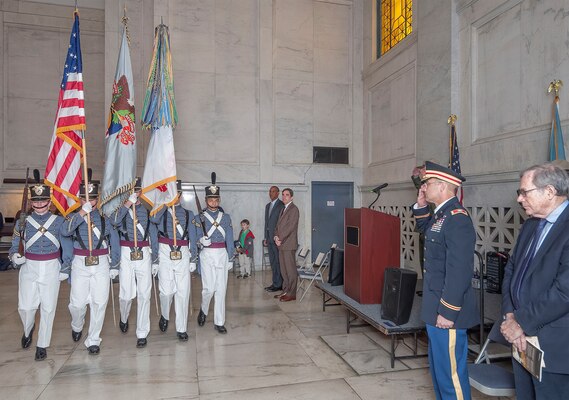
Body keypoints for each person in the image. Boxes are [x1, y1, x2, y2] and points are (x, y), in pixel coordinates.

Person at [500, 163, 569, 399]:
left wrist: (519, 322)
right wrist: (510, 316)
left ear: (549, 191)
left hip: (554, 347)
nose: (519, 199)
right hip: (521, 341)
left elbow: (564, 292)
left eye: (524, 192)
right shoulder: (530, 224)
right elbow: (511, 269)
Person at [412, 161, 478, 399]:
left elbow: (459, 270)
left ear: (441, 186)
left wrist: (448, 311)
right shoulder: (441, 215)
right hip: (435, 307)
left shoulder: (457, 218)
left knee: (451, 378)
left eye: (427, 183)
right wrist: (420, 206)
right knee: (440, 373)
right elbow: (428, 231)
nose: (423, 188)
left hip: (448, 311)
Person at [9, 172, 68, 361]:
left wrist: (65, 268)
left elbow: (66, 247)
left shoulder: (59, 222)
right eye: (36, 201)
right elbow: (14, 244)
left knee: (48, 308)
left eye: (43, 201)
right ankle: (28, 328)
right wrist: (14, 256)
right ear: (31, 202)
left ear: (49, 202)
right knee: (25, 308)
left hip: (51, 266)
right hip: (29, 266)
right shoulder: (22, 222)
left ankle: (42, 344)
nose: (40, 205)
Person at [61, 179, 119, 355]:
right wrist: (81, 214)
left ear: (97, 199)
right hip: (80, 263)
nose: (90, 202)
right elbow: (65, 232)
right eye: (86, 198)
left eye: (93, 199)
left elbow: (114, 241)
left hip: (101, 262)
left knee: (99, 303)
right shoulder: (73, 218)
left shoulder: (104, 220)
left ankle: (93, 339)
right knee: (77, 305)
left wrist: (115, 264)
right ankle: (77, 324)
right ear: (79, 199)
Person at [111, 178, 159, 348]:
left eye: (138, 192)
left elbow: (153, 234)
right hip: (126, 253)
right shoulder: (121, 209)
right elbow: (114, 221)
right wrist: (127, 203)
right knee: (125, 294)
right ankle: (124, 317)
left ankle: (142, 332)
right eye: (133, 192)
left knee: (144, 294)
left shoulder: (147, 211)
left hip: (144, 252)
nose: (136, 194)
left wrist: (155, 260)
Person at [150, 180, 197, 341]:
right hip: (164, 252)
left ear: (181, 195)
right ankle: (164, 314)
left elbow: (193, 236)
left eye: (176, 194)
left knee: (183, 292)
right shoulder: (160, 211)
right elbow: (154, 220)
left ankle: (181, 328)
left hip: (182, 252)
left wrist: (193, 258)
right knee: (166, 291)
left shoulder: (188, 214)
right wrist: (164, 203)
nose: (174, 197)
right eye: (171, 194)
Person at [195, 173, 234, 334]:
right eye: (211, 200)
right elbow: (194, 238)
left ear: (219, 200)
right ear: (206, 200)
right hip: (207, 255)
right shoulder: (199, 217)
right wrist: (200, 242)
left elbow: (230, 238)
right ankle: (204, 309)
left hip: (222, 254)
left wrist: (231, 256)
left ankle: (219, 321)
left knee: (221, 289)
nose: (214, 202)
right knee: (208, 289)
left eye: (216, 200)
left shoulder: (226, 217)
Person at [273, 188, 299, 302]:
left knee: (290, 270)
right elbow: (278, 226)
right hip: (281, 244)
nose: (284, 197)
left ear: (292, 197)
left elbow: (290, 227)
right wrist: (275, 236)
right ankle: (285, 291)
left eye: (287, 195)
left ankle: (292, 293)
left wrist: (280, 238)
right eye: (283, 195)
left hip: (288, 244)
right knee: (284, 270)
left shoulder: (294, 209)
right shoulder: (283, 209)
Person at [264, 186, 284, 292]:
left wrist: (278, 237)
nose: (271, 193)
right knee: (272, 262)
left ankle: (279, 284)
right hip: (269, 239)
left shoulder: (281, 205)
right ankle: (275, 283)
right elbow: (266, 223)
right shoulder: (268, 206)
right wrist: (265, 237)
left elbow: (281, 224)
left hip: (277, 239)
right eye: (270, 191)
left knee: (278, 262)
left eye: (273, 191)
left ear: (277, 193)